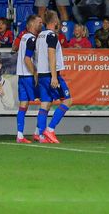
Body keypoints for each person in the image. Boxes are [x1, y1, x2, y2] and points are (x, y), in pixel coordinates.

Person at [34, 10, 72, 144]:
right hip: (50, 74)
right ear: (55, 21)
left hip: (42, 74)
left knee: (45, 103)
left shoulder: (40, 36)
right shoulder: (52, 36)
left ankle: (40, 135)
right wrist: (54, 77)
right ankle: (50, 129)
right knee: (67, 100)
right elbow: (51, 55)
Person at [15, 14, 41, 143]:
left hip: (21, 76)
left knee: (23, 105)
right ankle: (38, 133)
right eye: (39, 23)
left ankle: (20, 135)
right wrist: (35, 73)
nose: (41, 25)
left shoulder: (24, 37)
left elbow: (15, 49)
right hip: (29, 76)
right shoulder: (31, 39)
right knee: (46, 101)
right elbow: (27, 59)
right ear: (32, 24)